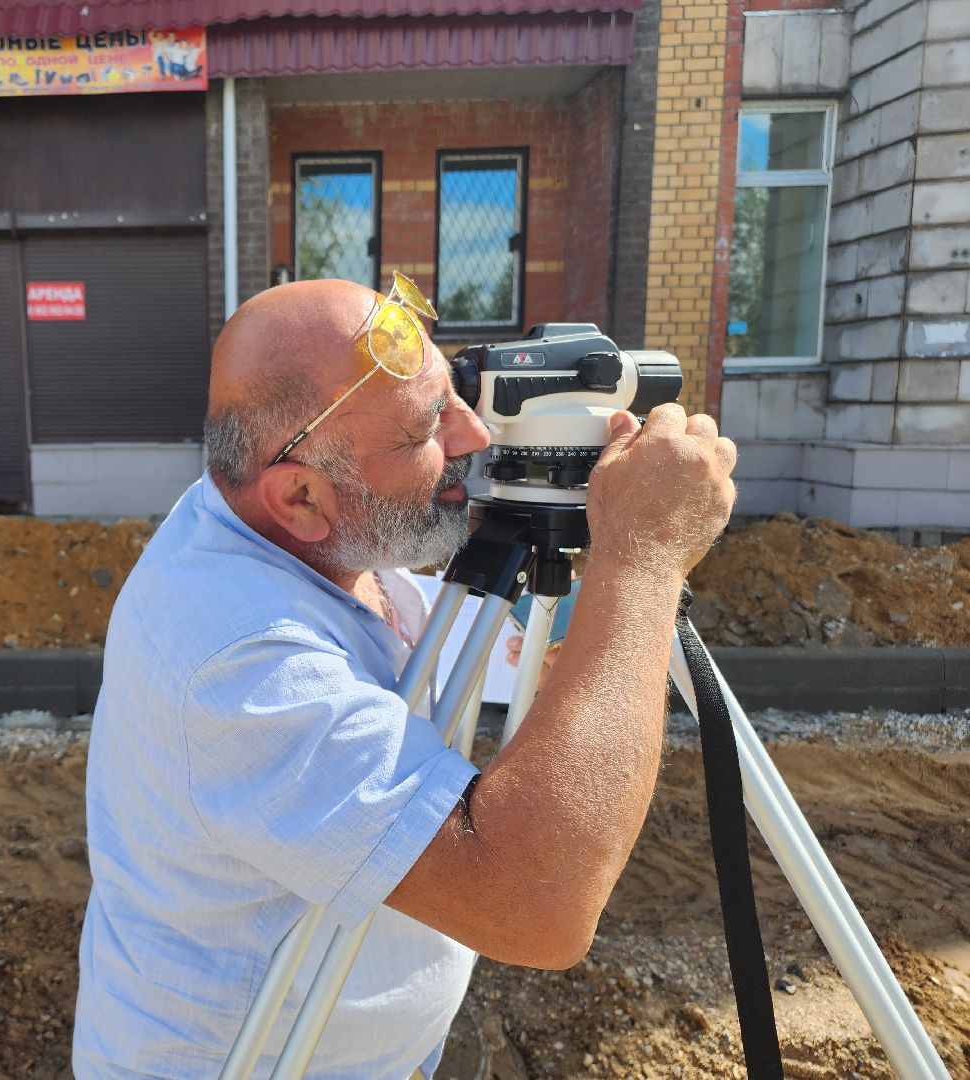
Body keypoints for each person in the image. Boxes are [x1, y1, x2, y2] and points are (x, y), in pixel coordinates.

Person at [73, 277, 737, 1077]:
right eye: (427, 429)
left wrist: (584, 646)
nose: (472, 433)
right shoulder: (239, 657)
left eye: (454, 391)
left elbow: (404, 613)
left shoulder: (279, 516)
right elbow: (537, 905)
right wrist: (645, 558)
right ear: (304, 496)